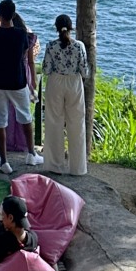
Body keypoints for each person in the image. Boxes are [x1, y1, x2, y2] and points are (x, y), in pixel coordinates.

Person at [0, 0, 43, 175]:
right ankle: (31, 154)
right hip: (17, 81)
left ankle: (4, 161)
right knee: (25, 116)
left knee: (0, 119)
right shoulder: (21, 35)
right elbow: (24, 56)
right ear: (13, 14)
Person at [41, 13, 89, 176]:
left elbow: (46, 70)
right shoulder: (79, 46)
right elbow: (85, 71)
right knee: (77, 124)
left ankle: (55, 165)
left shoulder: (51, 46)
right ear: (71, 28)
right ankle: (78, 168)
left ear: (56, 28)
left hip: (56, 82)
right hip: (74, 83)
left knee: (54, 122)